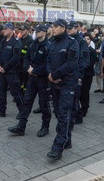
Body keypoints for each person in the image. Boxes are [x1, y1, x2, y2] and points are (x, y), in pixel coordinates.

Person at [7, 24, 51, 136]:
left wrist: (35, 70)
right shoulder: (33, 44)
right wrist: (27, 68)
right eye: (36, 30)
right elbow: (26, 57)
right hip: (31, 78)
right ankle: (21, 126)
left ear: (44, 32)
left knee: (43, 104)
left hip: (42, 79)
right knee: (27, 101)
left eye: (39, 31)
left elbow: (48, 64)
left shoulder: (48, 46)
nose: (36, 32)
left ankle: (45, 126)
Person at [46, 19, 79, 160]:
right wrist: (50, 75)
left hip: (67, 84)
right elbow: (48, 61)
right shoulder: (52, 43)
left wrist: (56, 74)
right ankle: (67, 140)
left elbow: (71, 63)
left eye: (55, 26)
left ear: (63, 28)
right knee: (59, 114)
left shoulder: (72, 43)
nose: (52, 29)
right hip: (55, 83)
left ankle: (58, 147)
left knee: (64, 115)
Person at [0, 23, 23, 117]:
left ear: (11, 30)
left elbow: (16, 58)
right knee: (0, 90)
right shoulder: (3, 40)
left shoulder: (16, 42)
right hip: (2, 71)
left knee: (15, 92)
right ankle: (1, 110)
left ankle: (22, 111)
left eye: (5, 29)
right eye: (3, 28)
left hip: (11, 71)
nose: (3, 30)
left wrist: (6, 67)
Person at [81, 33, 98, 117]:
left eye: (88, 39)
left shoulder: (92, 51)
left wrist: (81, 66)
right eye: (85, 38)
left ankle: (85, 108)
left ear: (90, 40)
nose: (86, 40)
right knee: (80, 91)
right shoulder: (80, 49)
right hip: (80, 74)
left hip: (88, 74)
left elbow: (91, 63)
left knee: (85, 91)